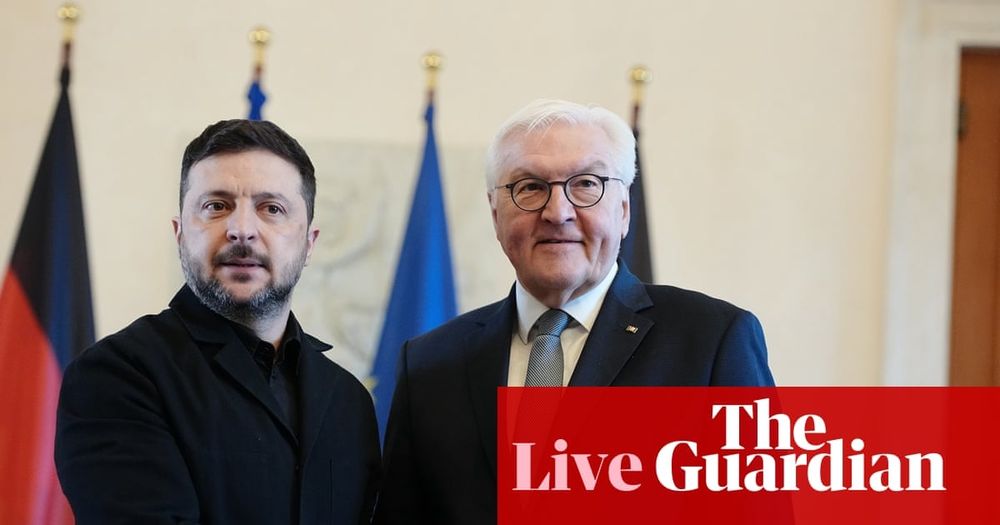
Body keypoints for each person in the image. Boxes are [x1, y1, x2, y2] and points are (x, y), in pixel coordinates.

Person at [374, 99, 775, 524]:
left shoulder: (711, 342)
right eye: (530, 187)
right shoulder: (431, 362)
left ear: (623, 210)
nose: (557, 212)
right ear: (495, 215)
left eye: (586, 184)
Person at [55, 119, 380, 524]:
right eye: (216, 206)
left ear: (309, 243)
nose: (241, 230)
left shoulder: (349, 400)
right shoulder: (117, 376)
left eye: (272, 209)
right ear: (179, 235)